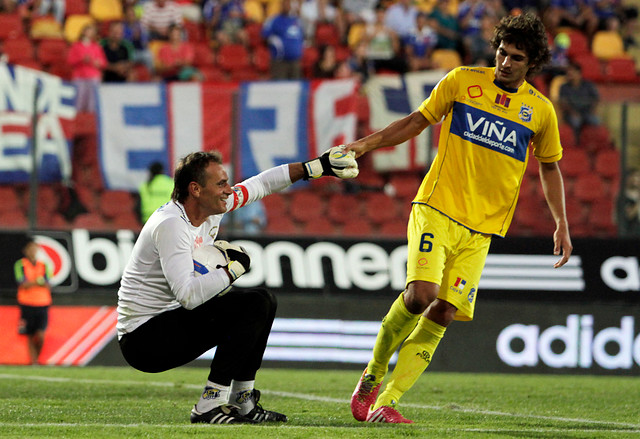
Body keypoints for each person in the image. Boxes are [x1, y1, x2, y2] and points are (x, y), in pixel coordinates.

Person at [346, 12, 573, 424]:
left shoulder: (540, 111)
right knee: (420, 295)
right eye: (502, 53)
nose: (506, 62)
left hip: (483, 228)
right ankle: (372, 375)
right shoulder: (462, 80)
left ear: (532, 63)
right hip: (438, 206)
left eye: (516, 58)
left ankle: (389, 402)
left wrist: (561, 221)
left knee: (444, 312)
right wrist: (367, 143)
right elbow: (418, 121)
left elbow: (550, 166)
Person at [117, 148, 358, 424]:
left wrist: (316, 167)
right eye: (221, 184)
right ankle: (210, 403)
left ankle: (243, 400)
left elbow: (262, 183)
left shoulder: (211, 208)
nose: (228, 190)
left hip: (167, 323)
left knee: (263, 300)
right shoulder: (172, 224)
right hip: (144, 341)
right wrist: (232, 270)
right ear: (195, 189)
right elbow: (187, 296)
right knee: (252, 304)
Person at [14, 238, 52, 365]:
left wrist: (33, 282)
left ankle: (36, 358)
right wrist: (39, 281)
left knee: (41, 335)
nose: (32, 251)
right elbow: (23, 284)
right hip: (26, 303)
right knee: (29, 334)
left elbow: (48, 284)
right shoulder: (20, 265)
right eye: (30, 249)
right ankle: (34, 362)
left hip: (43, 303)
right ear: (25, 251)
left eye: (35, 249)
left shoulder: (44, 265)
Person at [67, 23, 107, 112]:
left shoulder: (96, 47)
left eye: (92, 31)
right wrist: (82, 59)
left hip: (93, 77)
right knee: (78, 102)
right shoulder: (76, 46)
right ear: (83, 32)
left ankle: (90, 122)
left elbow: (103, 63)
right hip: (80, 77)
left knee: (92, 103)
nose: (90, 33)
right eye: (88, 30)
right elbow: (70, 61)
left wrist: (98, 63)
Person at [261, 0, 304, 80]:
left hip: (295, 61)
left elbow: (301, 36)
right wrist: (278, 46)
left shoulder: (296, 20)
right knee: (280, 88)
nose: (287, 6)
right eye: (285, 3)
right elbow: (265, 37)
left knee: (295, 87)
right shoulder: (274, 20)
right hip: (280, 62)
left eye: (289, 3)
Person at [558, 61, 600, 141]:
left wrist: (592, 110)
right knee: (576, 121)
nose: (570, 74)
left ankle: (593, 142)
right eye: (568, 72)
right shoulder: (564, 87)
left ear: (579, 73)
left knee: (595, 120)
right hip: (571, 113)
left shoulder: (588, 85)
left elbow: (596, 99)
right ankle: (577, 143)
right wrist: (572, 112)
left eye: (572, 72)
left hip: (587, 112)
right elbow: (563, 102)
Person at [619, 167, 640, 236]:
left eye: (638, 176)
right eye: (634, 176)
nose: (636, 179)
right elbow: (628, 215)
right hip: (631, 233)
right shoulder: (623, 197)